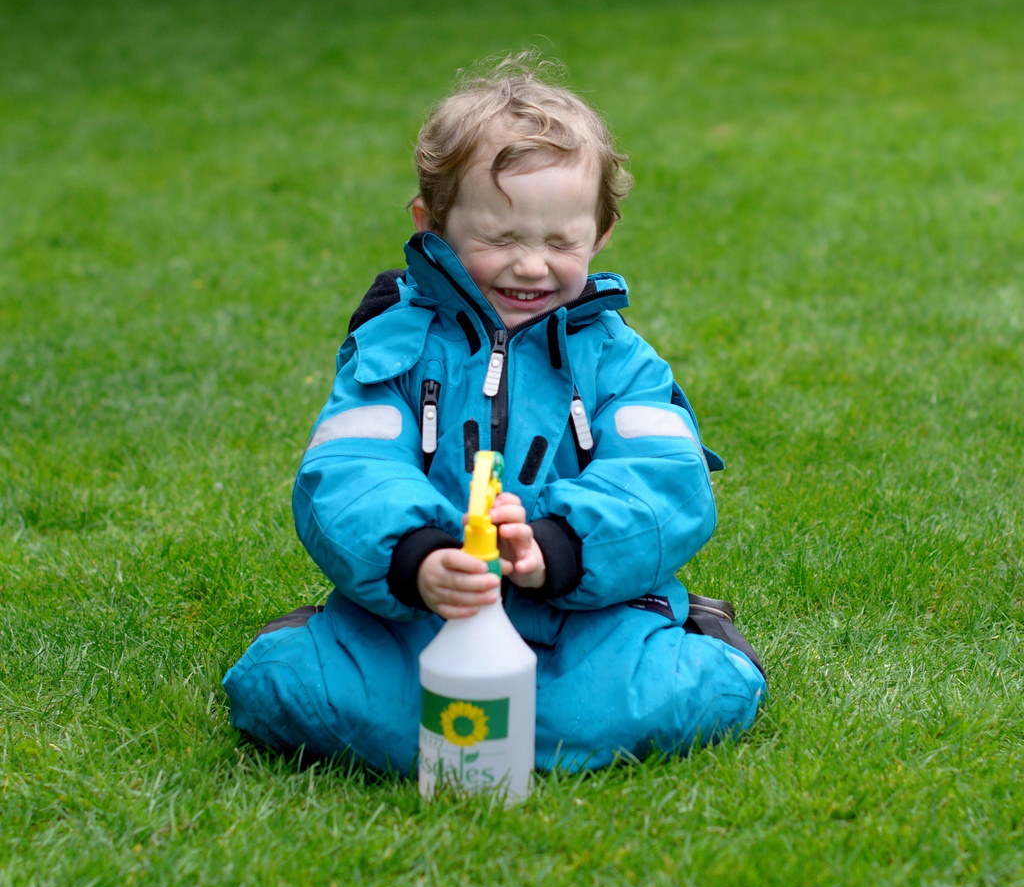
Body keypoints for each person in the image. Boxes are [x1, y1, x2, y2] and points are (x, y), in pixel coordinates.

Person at [223, 53, 767, 774]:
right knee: (297, 691)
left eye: (560, 243)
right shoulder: (393, 347)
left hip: (581, 617)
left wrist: (559, 547)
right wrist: (417, 557)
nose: (531, 265)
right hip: (426, 613)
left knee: (626, 706)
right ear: (433, 223)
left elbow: (667, 481)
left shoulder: (620, 360)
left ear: (601, 234)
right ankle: (320, 640)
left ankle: (696, 636)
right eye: (500, 239)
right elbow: (347, 472)